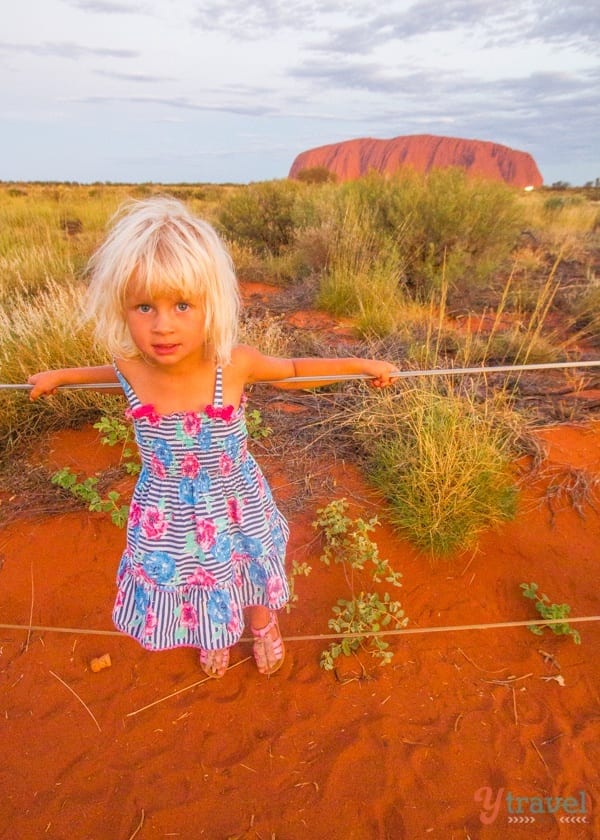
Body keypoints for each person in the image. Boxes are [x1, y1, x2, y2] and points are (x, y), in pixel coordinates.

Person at [29, 196, 397, 679]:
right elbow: (101, 372)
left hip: (236, 500)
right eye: (145, 306)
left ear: (211, 304)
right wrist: (60, 376)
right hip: (169, 514)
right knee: (197, 580)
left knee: (249, 567)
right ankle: (215, 634)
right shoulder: (129, 368)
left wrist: (358, 366)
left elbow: (290, 370)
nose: (163, 325)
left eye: (182, 305)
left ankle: (263, 625)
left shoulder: (232, 363)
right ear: (122, 307)